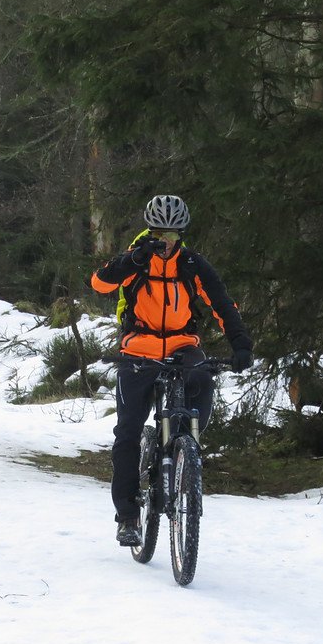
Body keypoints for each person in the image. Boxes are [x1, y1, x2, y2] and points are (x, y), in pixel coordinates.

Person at [90, 194, 253, 546]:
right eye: (159, 233)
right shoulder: (136, 260)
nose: (166, 241)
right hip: (138, 348)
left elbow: (222, 303)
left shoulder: (192, 264)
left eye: (173, 234)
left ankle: (181, 452)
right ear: (150, 231)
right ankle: (128, 517)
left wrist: (241, 344)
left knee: (202, 379)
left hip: (182, 346)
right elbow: (100, 283)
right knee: (128, 433)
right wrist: (133, 259)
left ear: (181, 235)